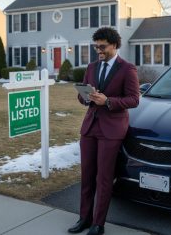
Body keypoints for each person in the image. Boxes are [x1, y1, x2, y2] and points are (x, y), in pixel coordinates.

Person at [68, 27, 139, 235]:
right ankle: (84, 219)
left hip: (112, 129)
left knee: (104, 178)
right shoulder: (91, 67)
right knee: (87, 176)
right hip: (90, 127)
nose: (98, 50)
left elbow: (134, 99)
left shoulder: (127, 69)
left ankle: (98, 224)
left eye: (102, 46)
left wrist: (107, 101)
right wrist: (85, 96)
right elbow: (83, 98)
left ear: (114, 45)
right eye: (96, 46)